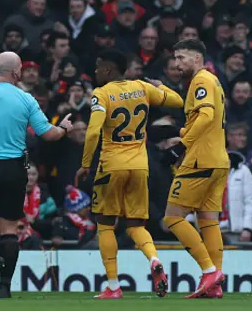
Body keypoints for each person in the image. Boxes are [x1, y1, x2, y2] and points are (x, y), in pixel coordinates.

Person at [0, 52, 74, 298]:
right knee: (9, 229)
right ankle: (6, 288)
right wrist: (64, 128)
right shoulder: (25, 99)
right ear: (17, 72)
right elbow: (48, 134)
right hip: (14, 168)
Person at [76, 49, 184, 299]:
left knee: (105, 224)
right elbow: (177, 101)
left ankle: (113, 285)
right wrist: (161, 86)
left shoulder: (101, 94)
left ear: (108, 69)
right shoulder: (142, 88)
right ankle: (154, 259)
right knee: (136, 224)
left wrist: (85, 164)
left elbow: (93, 132)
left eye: (98, 67)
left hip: (111, 166)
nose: (95, 72)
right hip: (139, 165)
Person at [162, 39, 229, 299]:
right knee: (208, 222)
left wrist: (182, 144)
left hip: (200, 160)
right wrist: (176, 131)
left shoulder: (201, 80)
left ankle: (209, 270)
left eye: (181, 58)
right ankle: (215, 282)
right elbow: (206, 122)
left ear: (197, 58)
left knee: (173, 217)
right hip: (219, 160)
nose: (177, 64)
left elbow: (206, 116)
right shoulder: (213, 81)